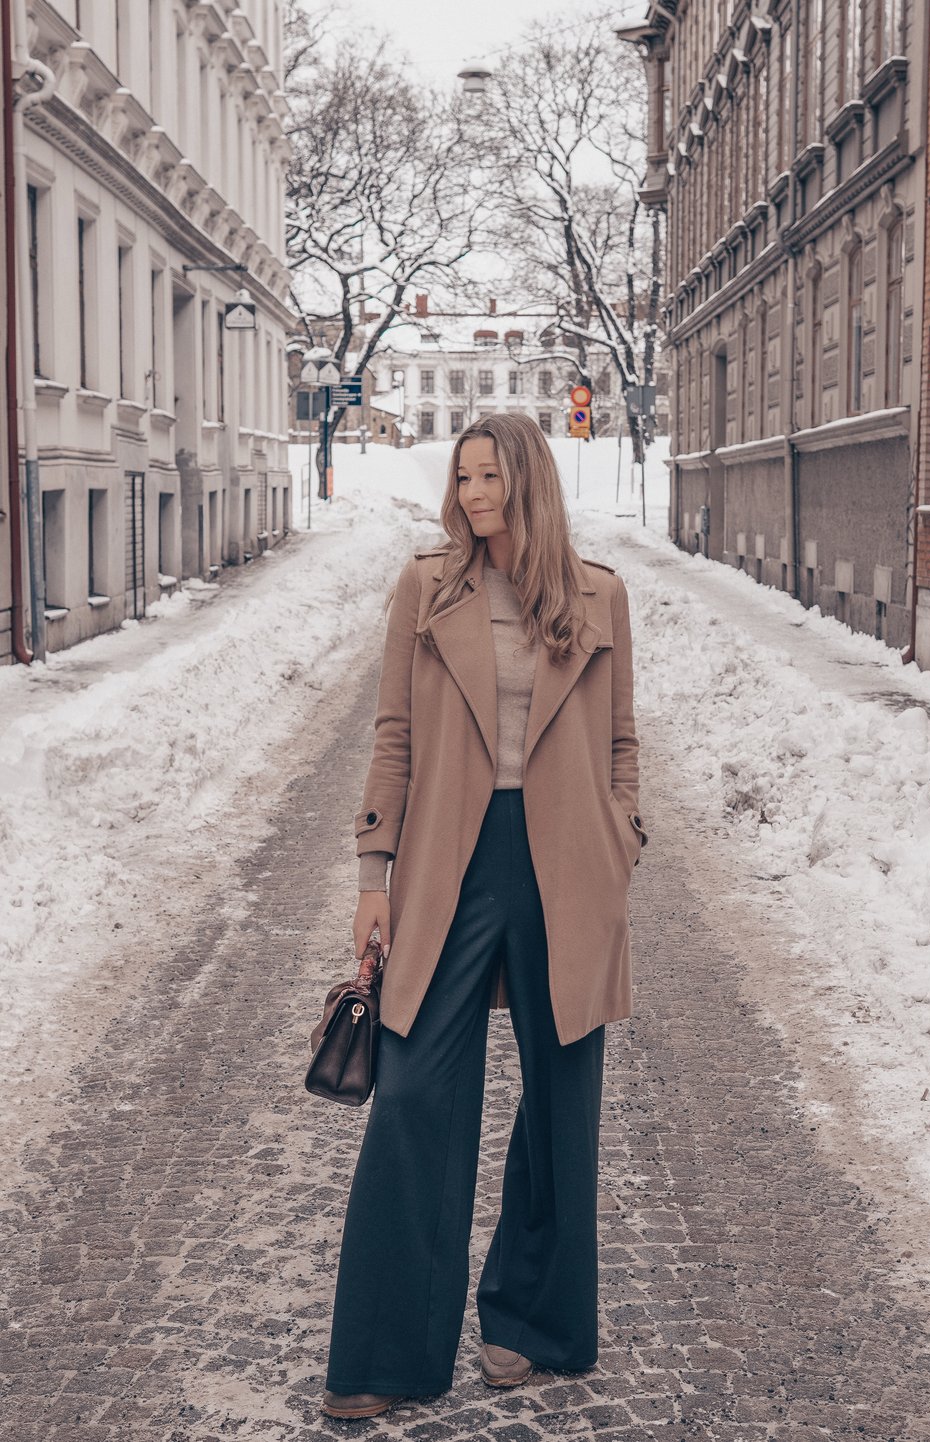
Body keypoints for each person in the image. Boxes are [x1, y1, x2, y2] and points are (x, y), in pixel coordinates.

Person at [320, 412, 648, 1421]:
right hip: (448, 865)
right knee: (415, 1095)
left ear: (528, 481)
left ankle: (530, 1322)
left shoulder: (599, 594)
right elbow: (394, 732)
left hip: (567, 865)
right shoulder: (428, 589)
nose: (471, 494)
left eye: (489, 476)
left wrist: (622, 831)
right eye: (460, 477)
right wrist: (374, 872)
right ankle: (385, 1350)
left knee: (561, 1106)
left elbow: (622, 737)